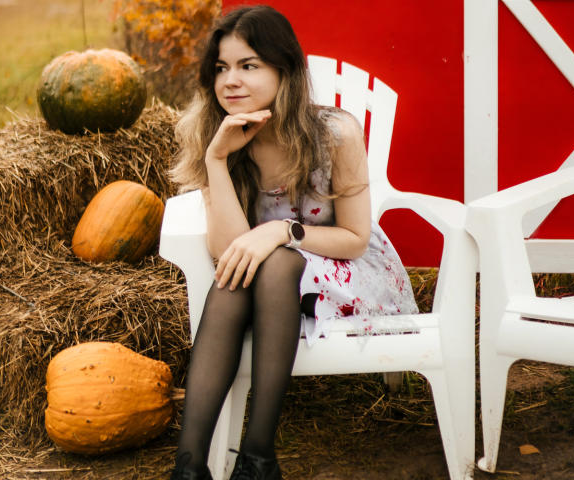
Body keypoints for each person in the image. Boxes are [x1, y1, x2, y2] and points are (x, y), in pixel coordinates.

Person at [169, 5, 419, 479]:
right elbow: (229, 251)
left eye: (248, 66)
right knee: (237, 275)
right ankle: (189, 466)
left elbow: (355, 238)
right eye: (221, 68)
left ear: (284, 70)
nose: (230, 81)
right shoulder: (214, 135)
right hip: (264, 277)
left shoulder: (334, 133)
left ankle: (258, 452)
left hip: (349, 273)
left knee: (279, 261)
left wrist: (282, 230)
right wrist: (218, 161)